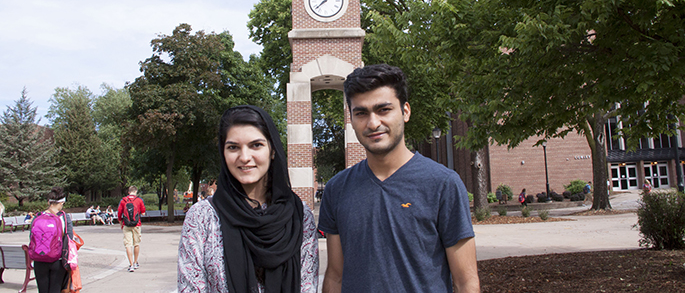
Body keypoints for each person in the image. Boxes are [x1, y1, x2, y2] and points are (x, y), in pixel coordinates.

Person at [318, 64, 479, 293]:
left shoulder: (443, 184)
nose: (373, 123)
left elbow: (466, 282)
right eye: (361, 113)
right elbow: (335, 277)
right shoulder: (337, 189)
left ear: (405, 111)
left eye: (383, 109)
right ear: (351, 119)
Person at [177, 105, 319, 293]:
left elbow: (307, 286)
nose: (244, 157)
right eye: (233, 147)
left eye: (256, 145)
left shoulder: (299, 216)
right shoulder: (202, 218)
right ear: (223, 153)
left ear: (273, 150)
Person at [31, 187, 73, 293]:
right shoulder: (63, 217)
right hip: (57, 260)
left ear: (48, 202)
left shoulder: (38, 217)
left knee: (42, 290)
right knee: (55, 290)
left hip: (39, 260)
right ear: (61, 202)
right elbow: (69, 238)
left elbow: (32, 238)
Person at [118, 186, 146, 272]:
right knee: (136, 243)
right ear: (136, 191)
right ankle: (135, 262)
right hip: (136, 225)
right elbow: (143, 213)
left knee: (128, 245)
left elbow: (119, 214)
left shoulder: (123, 200)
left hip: (126, 225)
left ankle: (130, 265)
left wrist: (121, 224)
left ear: (128, 192)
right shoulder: (139, 200)